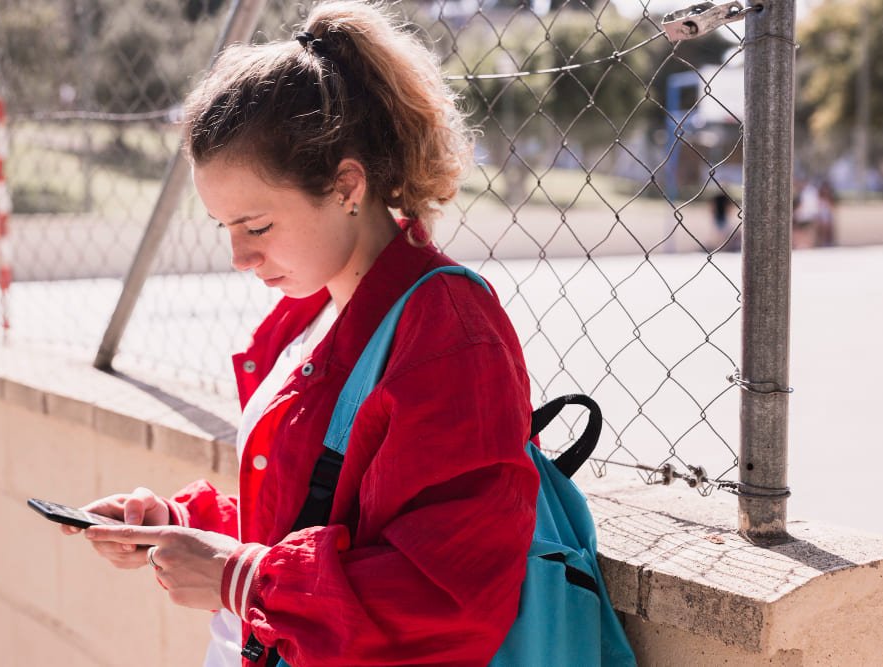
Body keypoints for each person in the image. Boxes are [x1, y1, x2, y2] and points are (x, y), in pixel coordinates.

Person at [62, 2, 538, 665]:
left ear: (347, 184)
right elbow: (305, 522)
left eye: (255, 226)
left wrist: (243, 578)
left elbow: (451, 595)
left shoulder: (447, 332)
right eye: (222, 227)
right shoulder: (311, 315)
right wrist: (177, 527)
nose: (239, 257)